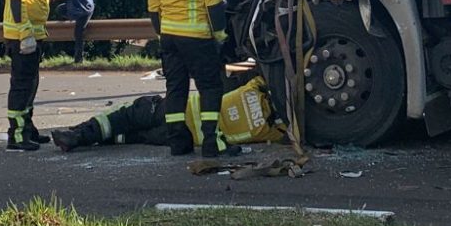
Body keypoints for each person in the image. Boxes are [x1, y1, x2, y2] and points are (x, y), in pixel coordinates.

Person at [147, 0, 227, 157]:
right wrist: (220, 35)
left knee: (176, 89)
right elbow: (214, 3)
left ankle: (178, 143)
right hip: (197, 38)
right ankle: (212, 142)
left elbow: (153, 10)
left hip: (170, 38)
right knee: (210, 87)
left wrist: (164, 34)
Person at [49, 74, 283, 153]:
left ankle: (79, 134)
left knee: (130, 117)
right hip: (183, 138)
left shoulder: (258, 86)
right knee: (135, 136)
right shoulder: (275, 130)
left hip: (176, 111)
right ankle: (85, 138)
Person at [2, 0, 66, 152]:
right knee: (22, 86)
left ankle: (27, 129)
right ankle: (17, 135)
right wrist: (26, 33)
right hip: (22, 35)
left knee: (30, 85)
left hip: (32, 34)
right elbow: (18, 0)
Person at [49, 0, 95, 64]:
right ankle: (72, 17)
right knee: (60, 9)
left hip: (84, 10)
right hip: (76, 7)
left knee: (78, 33)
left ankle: (78, 60)